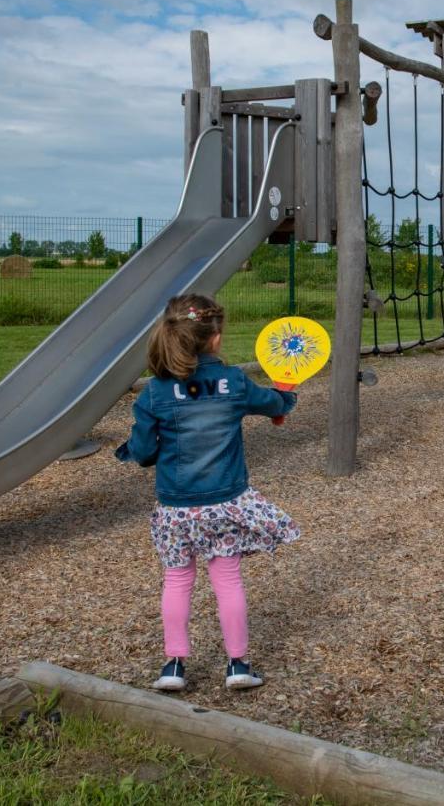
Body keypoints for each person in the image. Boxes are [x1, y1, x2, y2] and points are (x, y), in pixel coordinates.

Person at [116, 294, 300, 691]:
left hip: (176, 508)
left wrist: (133, 450)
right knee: (228, 579)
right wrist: (287, 398)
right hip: (225, 502)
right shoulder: (233, 382)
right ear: (215, 338)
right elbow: (271, 403)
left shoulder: (154, 393)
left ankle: (173, 666)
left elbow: (145, 451)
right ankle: (237, 665)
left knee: (177, 581)